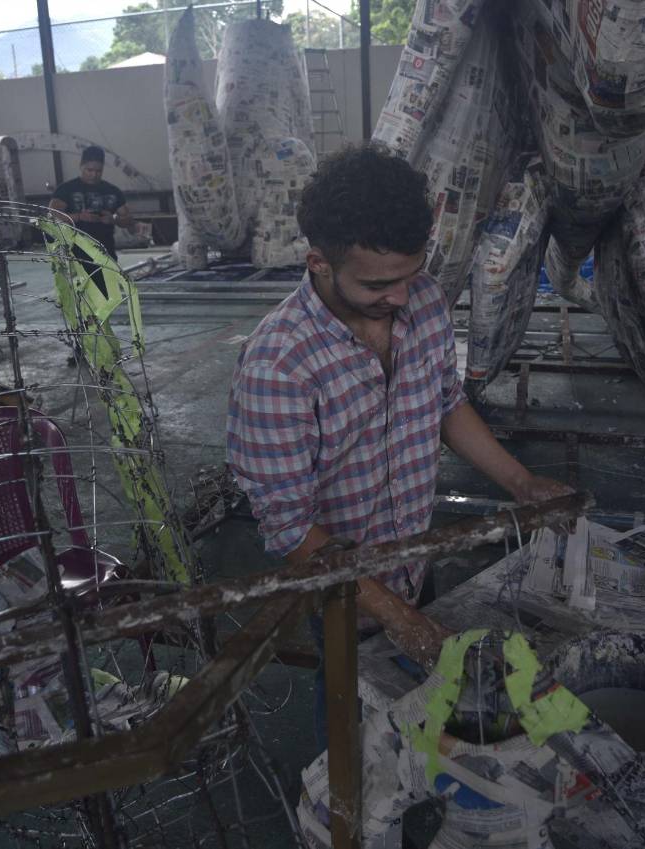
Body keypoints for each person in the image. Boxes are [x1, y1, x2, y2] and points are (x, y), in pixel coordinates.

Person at [225, 145, 572, 750]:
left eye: (411, 276)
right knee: (350, 721)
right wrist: (397, 617)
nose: (403, 298)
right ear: (319, 264)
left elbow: (445, 404)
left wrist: (522, 484)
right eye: (380, 285)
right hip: (343, 596)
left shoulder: (428, 302)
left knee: (429, 717)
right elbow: (289, 531)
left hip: (415, 554)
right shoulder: (278, 366)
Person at [49, 146, 134, 297]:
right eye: (89, 170)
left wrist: (113, 219)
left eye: (98, 171)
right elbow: (52, 215)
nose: (94, 175)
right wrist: (78, 217)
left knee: (107, 294)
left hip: (105, 250)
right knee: (80, 295)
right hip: (74, 251)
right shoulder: (66, 189)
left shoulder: (112, 191)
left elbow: (128, 220)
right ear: (81, 166)